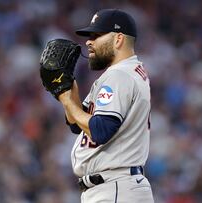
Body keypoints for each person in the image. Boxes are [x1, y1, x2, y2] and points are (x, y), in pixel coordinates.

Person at [58, 9, 154, 202]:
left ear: (118, 39)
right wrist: (69, 87)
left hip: (115, 187)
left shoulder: (119, 75)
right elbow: (77, 123)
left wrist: (65, 99)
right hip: (117, 187)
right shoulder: (128, 72)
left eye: (97, 35)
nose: (88, 42)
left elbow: (100, 129)